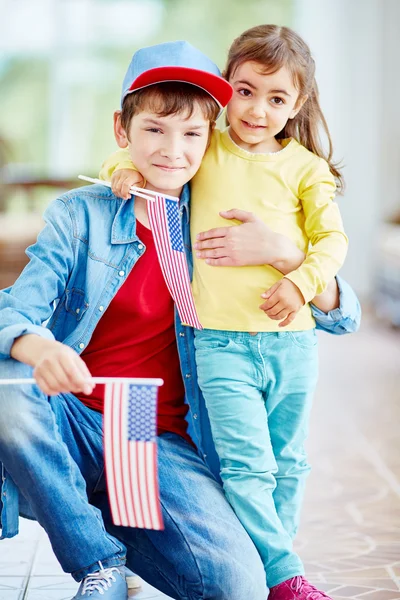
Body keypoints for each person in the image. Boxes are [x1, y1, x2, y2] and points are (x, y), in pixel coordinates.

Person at [0, 42, 360, 600]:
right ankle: (99, 562)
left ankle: (113, 516)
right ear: (122, 130)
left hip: (153, 433)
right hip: (71, 417)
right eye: (154, 130)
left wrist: (285, 255)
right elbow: (14, 310)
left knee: (238, 586)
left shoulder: (219, 211)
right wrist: (40, 348)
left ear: (210, 136)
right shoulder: (79, 215)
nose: (173, 150)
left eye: (192, 133)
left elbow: (344, 317)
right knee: (8, 388)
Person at [102, 27, 355, 600]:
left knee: (288, 463)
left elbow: (332, 245)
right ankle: (284, 574)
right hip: (219, 343)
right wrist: (122, 170)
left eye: (276, 99)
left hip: (293, 341)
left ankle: (278, 569)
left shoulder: (307, 169)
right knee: (246, 466)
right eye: (244, 91)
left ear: (297, 105)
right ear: (225, 90)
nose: (257, 110)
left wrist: (299, 276)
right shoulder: (204, 147)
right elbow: (143, 144)